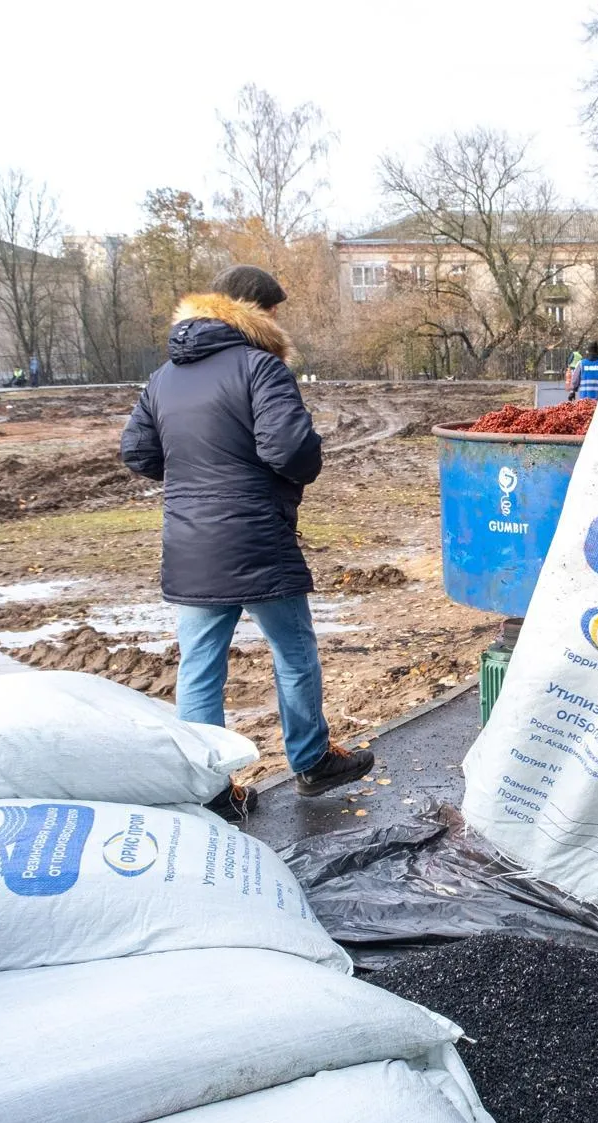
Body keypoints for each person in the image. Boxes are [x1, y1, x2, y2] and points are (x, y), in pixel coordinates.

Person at [120, 264, 375, 807]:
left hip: (190, 542)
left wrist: (194, 476)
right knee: (294, 651)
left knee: (199, 665)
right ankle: (312, 761)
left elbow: (138, 453)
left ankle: (209, 790)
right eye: (275, 309)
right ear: (257, 308)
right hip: (257, 536)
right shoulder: (261, 367)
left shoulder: (163, 377)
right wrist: (294, 468)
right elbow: (290, 449)